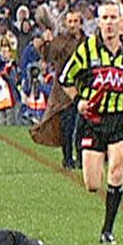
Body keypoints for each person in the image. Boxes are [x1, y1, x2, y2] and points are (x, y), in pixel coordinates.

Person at [59, 0, 123, 244]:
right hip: (93, 120)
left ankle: (107, 231)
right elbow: (65, 79)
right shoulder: (87, 50)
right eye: (105, 18)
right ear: (98, 22)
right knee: (92, 184)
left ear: (122, 22)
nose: (110, 23)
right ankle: (96, 163)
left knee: (116, 172)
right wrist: (80, 101)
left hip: (120, 120)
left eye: (114, 18)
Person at [30, 9, 87, 169]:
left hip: (84, 90)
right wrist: (44, 43)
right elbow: (48, 55)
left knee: (83, 128)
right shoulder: (60, 41)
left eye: (76, 21)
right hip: (64, 93)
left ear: (80, 23)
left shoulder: (88, 42)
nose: (73, 25)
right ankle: (68, 159)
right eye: (70, 22)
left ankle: (83, 159)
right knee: (67, 128)